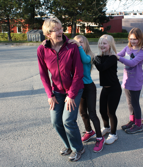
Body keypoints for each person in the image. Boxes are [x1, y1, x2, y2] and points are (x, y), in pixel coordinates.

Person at [37, 18, 85, 162]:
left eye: (61, 28)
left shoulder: (71, 46)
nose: (60, 32)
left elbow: (78, 73)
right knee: (56, 121)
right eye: (56, 30)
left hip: (74, 89)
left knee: (68, 120)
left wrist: (71, 95)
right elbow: (43, 74)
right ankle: (68, 145)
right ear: (48, 34)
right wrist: (49, 95)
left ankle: (78, 148)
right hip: (56, 91)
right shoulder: (42, 49)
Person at [71, 35, 104, 152]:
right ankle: (89, 131)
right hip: (79, 88)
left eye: (81, 42)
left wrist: (78, 46)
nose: (79, 44)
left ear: (86, 44)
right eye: (76, 42)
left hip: (89, 88)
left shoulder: (89, 55)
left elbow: (85, 60)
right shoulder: (75, 54)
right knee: (82, 112)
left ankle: (100, 137)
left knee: (92, 113)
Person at [116, 27, 143, 134]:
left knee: (135, 103)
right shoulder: (127, 48)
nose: (133, 41)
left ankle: (138, 125)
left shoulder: (142, 52)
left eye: (135, 39)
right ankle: (132, 121)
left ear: (140, 39)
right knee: (129, 103)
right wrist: (114, 55)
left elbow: (133, 63)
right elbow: (119, 54)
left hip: (136, 81)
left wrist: (118, 58)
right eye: (131, 39)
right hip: (127, 80)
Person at [93, 34, 122, 145]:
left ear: (110, 45)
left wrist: (94, 58)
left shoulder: (113, 57)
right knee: (102, 111)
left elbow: (102, 68)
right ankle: (107, 127)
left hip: (114, 88)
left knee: (111, 112)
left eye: (104, 43)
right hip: (105, 88)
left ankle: (113, 134)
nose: (102, 45)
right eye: (100, 43)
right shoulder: (100, 57)